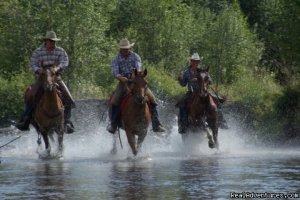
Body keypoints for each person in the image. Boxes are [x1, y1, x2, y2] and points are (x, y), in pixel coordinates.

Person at [15, 30, 75, 133]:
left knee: (69, 98)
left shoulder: (60, 51)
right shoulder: (38, 51)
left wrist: (57, 68)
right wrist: (39, 70)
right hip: (42, 77)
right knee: (30, 95)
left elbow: (65, 61)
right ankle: (26, 119)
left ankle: (67, 122)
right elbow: (32, 63)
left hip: (56, 77)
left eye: (54, 41)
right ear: (46, 41)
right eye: (51, 41)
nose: (52, 43)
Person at [107, 38, 165, 133]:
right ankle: (113, 123)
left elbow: (138, 67)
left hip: (136, 81)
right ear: (120, 49)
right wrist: (122, 78)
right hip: (123, 83)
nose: (125, 50)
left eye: (126, 48)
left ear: (129, 48)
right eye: (123, 48)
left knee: (153, 99)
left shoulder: (135, 56)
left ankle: (156, 123)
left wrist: (135, 75)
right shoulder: (116, 59)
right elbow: (115, 73)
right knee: (115, 100)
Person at [177, 53, 229, 134]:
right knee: (182, 104)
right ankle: (183, 125)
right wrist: (180, 79)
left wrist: (205, 79)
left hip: (203, 91)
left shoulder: (202, 71)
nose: (195, 63)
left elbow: (210, 81)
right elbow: (183, 84)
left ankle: (222, 121)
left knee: (218, 101)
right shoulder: (186, 72)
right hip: (192, 92)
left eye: (197, 62)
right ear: (191, 61)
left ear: (198, 62)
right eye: (194, 61)